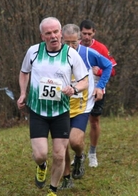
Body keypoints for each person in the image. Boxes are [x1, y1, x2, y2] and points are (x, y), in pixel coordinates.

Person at [17, 17, 89, 196]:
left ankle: (52, 190)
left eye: (56, 32)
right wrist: (23, 93)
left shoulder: (71, 54)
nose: (53, 36)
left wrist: (73, 88)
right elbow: (24, 72)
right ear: (42, 36)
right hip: (38, 111)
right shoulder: (33, 52)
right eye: (48, 33)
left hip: (61, 111)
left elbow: (84, 81)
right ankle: (41, 166)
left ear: (61, 34)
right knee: (41, 154)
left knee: (59, 154)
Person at [59, 24, 112, 189]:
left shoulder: (87, 53)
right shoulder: (55, 54)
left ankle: (80, 156)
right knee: (62, 145)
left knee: (75, 142)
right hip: (60, 106)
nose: (70, 47)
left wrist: (100, 86)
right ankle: (67, 178)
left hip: (82, 106)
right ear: (61, 39)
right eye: (66, 43)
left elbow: (108, 65)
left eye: (73, 43)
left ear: (79, 40)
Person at [79, 19, 117, 168]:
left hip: (97, 89)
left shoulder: (101, 48)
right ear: (79, 33)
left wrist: (99, 71)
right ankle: (79, 154)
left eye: (89, 34)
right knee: (78, 123)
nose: (86, 37)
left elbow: (112, 70)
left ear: (94, 32)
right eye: (84, 34)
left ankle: (92, 153)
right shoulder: (75, 47)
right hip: (79, 91)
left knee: (94, 121)